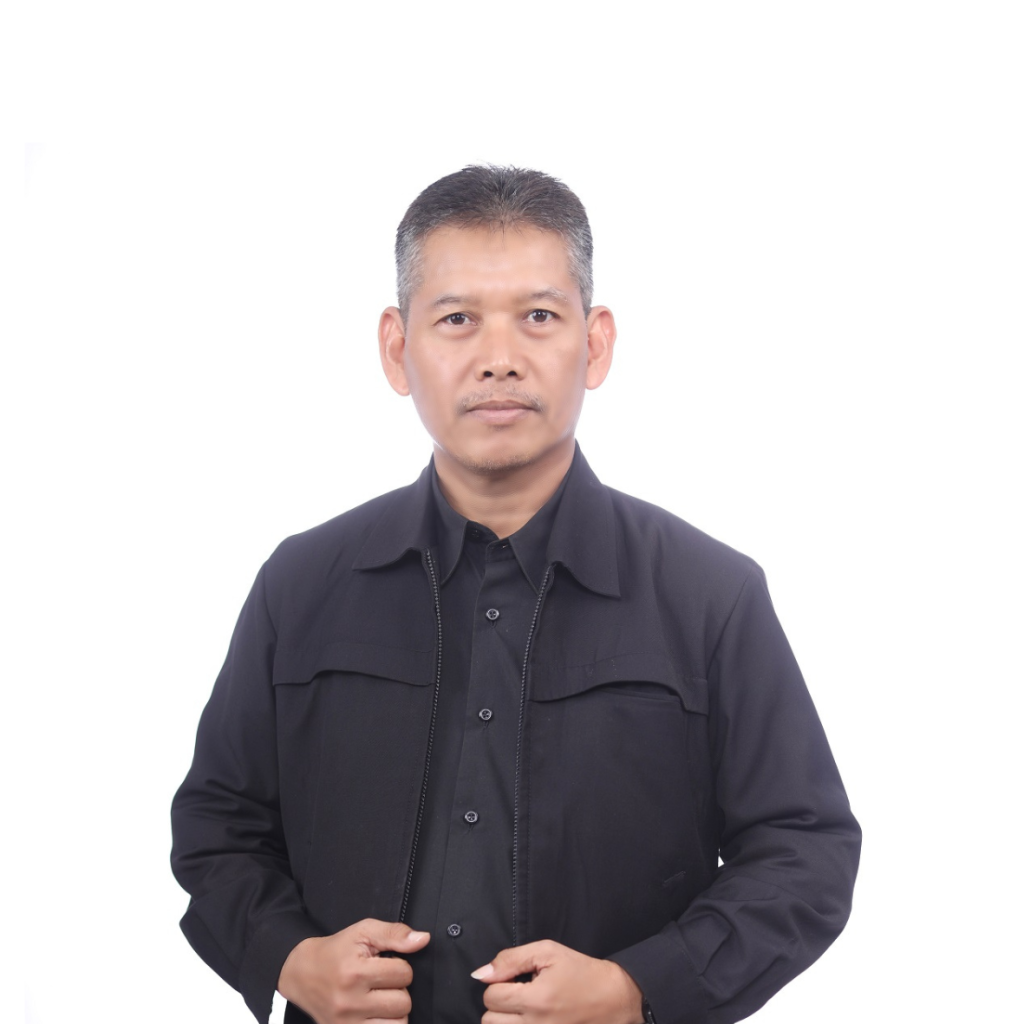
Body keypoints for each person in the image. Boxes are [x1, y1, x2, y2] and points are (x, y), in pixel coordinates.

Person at [171, 165, 861, 1024]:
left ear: (595, 344)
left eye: (538, 316)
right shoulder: (303, 585)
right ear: (396, 347)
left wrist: (638, 988)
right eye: (457, 319)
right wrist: (289, 957)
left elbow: (805, 853)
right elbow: (217, 825)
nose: (499, 359)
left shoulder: (710, 596)